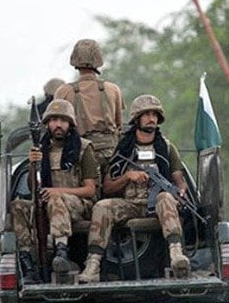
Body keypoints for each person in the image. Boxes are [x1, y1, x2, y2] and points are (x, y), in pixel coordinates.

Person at [78, 94, 190, 283]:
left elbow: (179, 180)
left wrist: (179, 191)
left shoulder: (167, 148)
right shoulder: (123, 149)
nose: (151, 119)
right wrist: (127, 177)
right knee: (102, 206)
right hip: (130, 204)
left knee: (166, 198)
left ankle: (176, 255)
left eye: (154, 114)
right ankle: (93, 265)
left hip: (157, 205)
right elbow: (108, 186)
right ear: (137, 119)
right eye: (146, 114)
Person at [11, 99, 99, 283]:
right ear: (47, 124)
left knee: (55, 199)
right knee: (18, 205)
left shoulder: (83, 148)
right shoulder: (41, 149)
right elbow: (34, 188)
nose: (58, 124)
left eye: (63, 120)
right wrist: (34, 164)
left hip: (79, 205)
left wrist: (57, 191)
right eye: (53, 120)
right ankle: (28, 262)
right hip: (48, 203)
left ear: (70, 123)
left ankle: (61, 251)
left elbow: (90, 190)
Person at [54, 39, 126, 177]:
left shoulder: (63, 92)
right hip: (110, 154)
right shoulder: (113, 89)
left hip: (78, 153)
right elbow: (118, 125)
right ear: (99, 59)